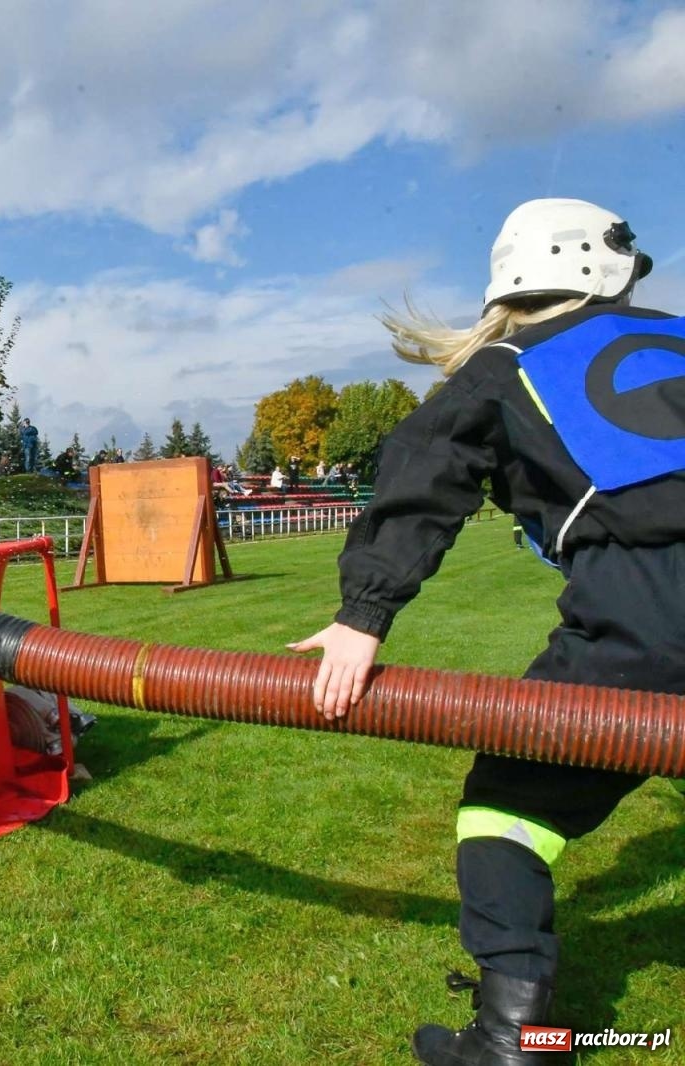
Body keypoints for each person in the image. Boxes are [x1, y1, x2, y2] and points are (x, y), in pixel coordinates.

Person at [288, 198, 663, 1064]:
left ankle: (514, 1041)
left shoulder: (507, 362)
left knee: (503, 812)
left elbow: (427, 469)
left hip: (648, 612)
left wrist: (363, 614)